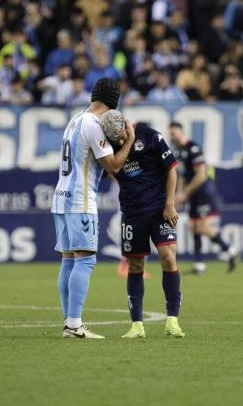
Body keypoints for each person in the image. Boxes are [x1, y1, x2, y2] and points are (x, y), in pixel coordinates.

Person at [51, 78, 135, 339]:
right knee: (85, 260)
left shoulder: (76, 118)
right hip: (80, 200)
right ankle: (74, 324)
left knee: (69, 260)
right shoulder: (93, 125)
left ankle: (69, 322)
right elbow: (113, 166)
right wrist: (129, 140)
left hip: (60, 198)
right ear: (114, 103)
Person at [103, 114, 185, 339]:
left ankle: (172, 320)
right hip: (132, 213)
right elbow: (111, 170)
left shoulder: (150, 136)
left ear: (126, 125)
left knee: (168, 257)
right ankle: (137, 325)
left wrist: (170, 203)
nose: (119, 142)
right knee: (136, 266)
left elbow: (171, 169)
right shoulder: (108, 142)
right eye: (114, 140)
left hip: (160, 210)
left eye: (121, 137)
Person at [168, 122, 240, 275]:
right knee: (193, 226)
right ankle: (199, 264)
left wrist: (185, 193)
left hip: (203, 191)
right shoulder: (176, 151)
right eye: (170, 134)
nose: (171, 137)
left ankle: (230, 250)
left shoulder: (193, 148)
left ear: (181, 132)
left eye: (173, 133)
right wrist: (178, 193)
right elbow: (180, 174)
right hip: (192, 192)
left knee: (202, 226)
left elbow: (201, 175)